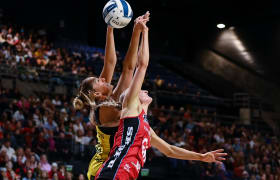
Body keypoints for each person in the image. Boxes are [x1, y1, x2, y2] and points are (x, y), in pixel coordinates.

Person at [95, 17, 227, 180]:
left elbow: (169, 150)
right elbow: (141, 66)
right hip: (115, 172)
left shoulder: (144, 127)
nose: (143, 90)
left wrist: (201, 157)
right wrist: (145, 32)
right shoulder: (129, 107)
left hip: (121, 174)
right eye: (139, 90)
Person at [73, 12, 150, 180]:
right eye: (98, 80)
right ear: (97, 93)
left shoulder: (108, 98)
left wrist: (112, 28)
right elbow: (132, 73)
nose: (102, 77)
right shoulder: (102, 109)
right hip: (102, 168)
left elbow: (118, 65)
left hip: (115, 167)